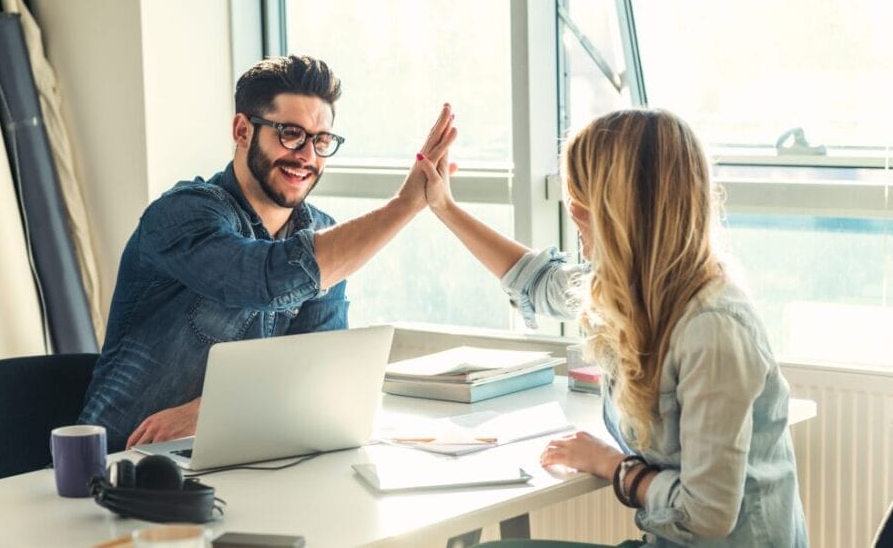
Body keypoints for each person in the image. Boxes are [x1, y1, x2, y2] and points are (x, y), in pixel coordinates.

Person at [421, 109, 807, 547]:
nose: (575, 218)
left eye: (579, 203)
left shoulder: (713, 327)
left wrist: (615, 466)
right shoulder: (634, 290)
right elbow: (542, 282)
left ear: (616, 211)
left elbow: (707, 514)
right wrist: (444, 208)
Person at [78, 55, 457, 453]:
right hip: (116, 469)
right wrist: (404, 206)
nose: (307, 155)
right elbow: (264, 279)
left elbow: (317, 370)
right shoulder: (183, 214)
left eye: (321, 140)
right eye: (290, 134)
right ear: (243, 130)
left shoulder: (325, 237)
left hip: (242, 464)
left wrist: (211, 410)